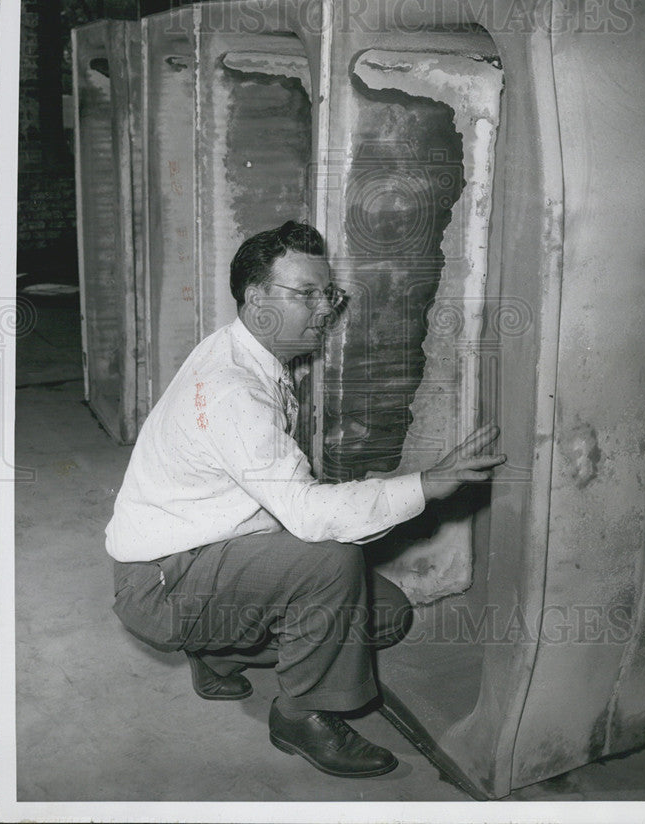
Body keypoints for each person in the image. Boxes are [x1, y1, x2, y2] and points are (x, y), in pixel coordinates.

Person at [105, 220, 505, 779]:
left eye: (329, 294)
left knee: (384, 616)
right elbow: (313, 519)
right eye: (306, 294)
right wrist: (426, 484)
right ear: (255, 299)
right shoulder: (235, 391)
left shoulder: (240, 349)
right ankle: (301, 714)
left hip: (202, 554)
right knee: (330, 561)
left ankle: (217, 652)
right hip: (160, 582)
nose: (325, 310)